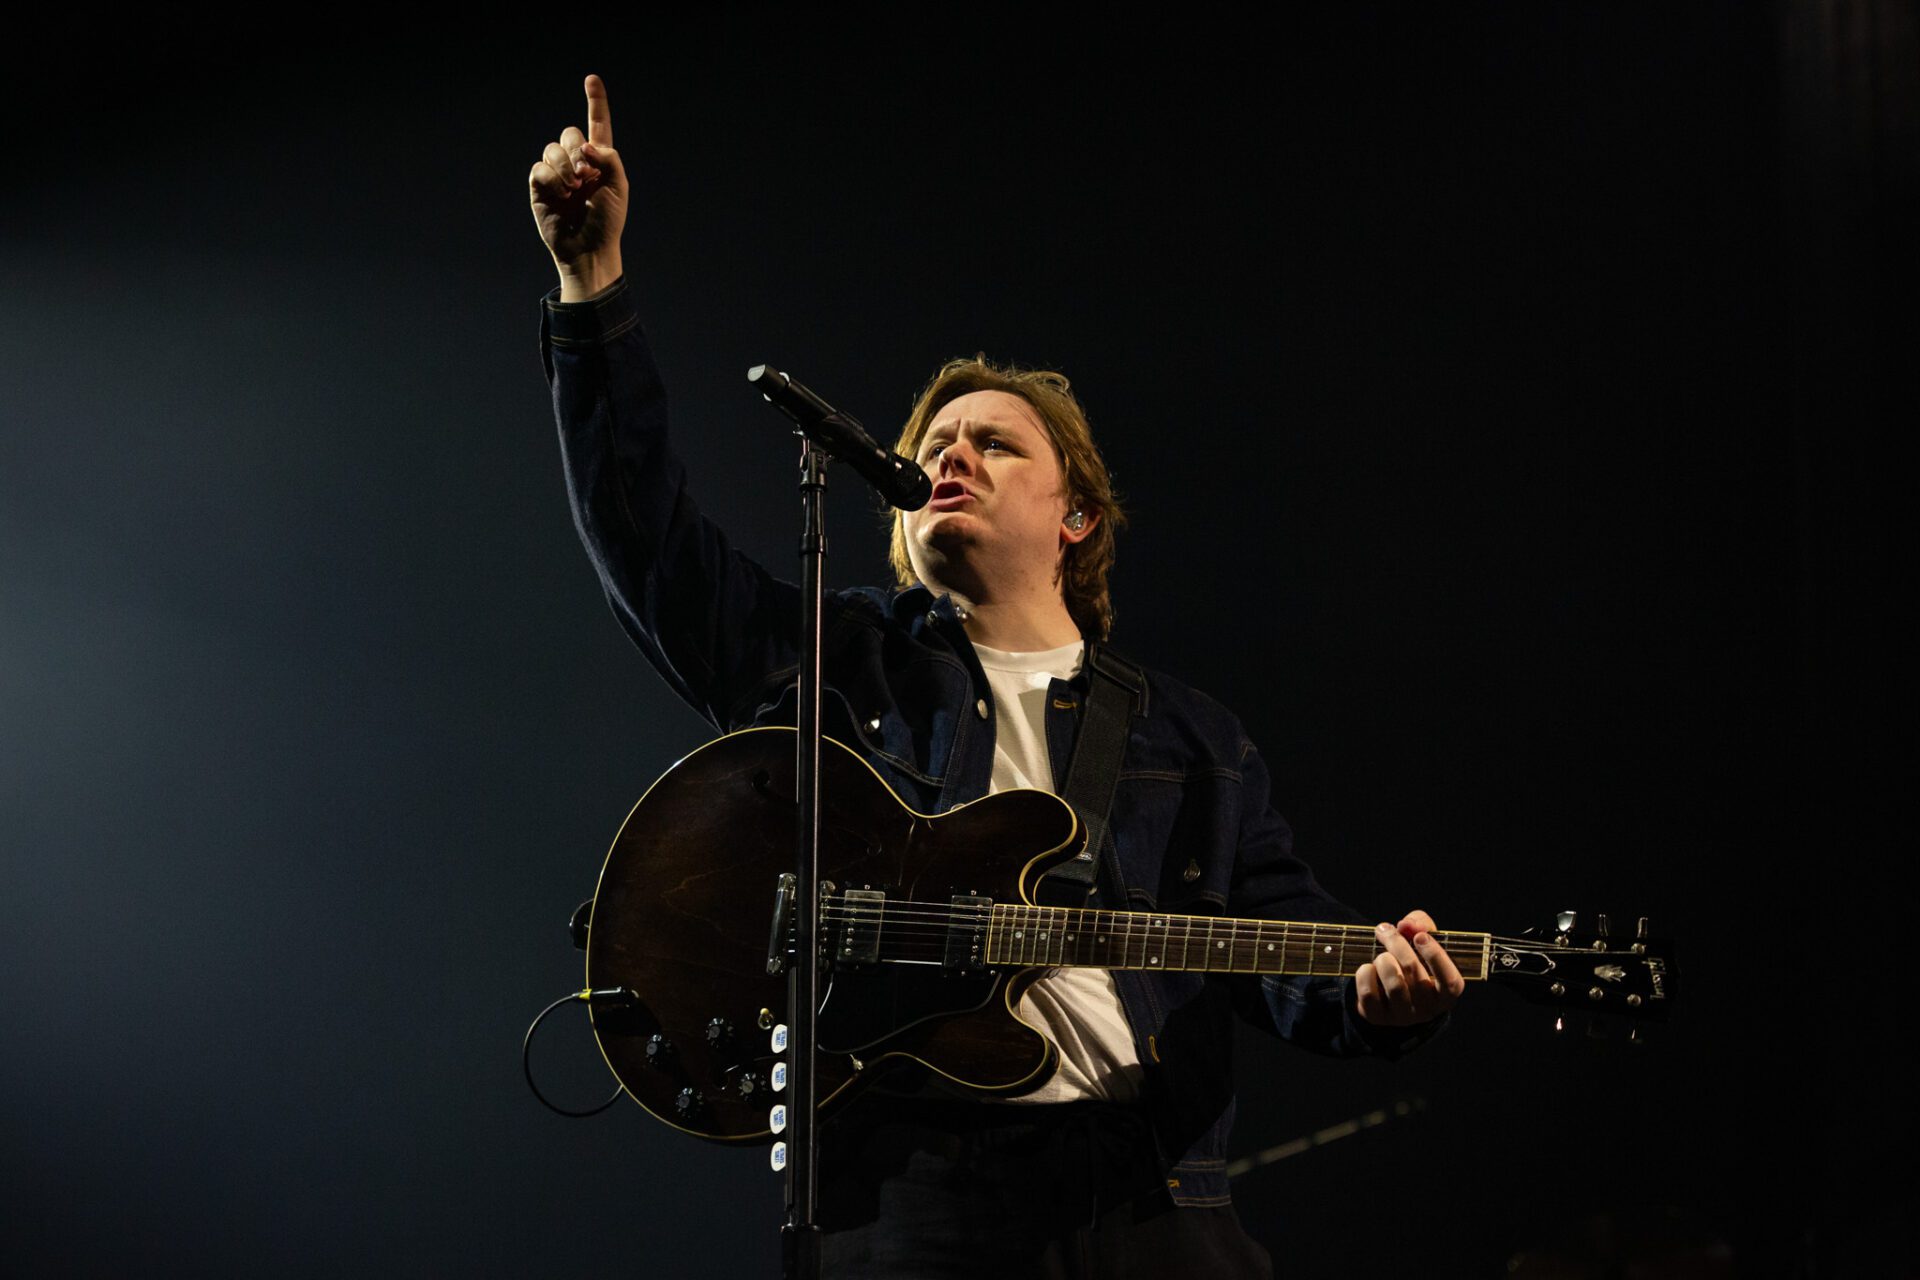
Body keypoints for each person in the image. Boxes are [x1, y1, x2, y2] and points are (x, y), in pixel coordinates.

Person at [529, 74, 1463, 1279]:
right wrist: (590, 288)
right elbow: (645, 544)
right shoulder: (845, 661)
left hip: (1150, 1196)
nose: (948, 452)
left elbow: (1287, 947)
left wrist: (1387, 990)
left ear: (1076, 513)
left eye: (993, 440)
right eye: (931, 444)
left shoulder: (1194, 737)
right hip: (917, 1190)